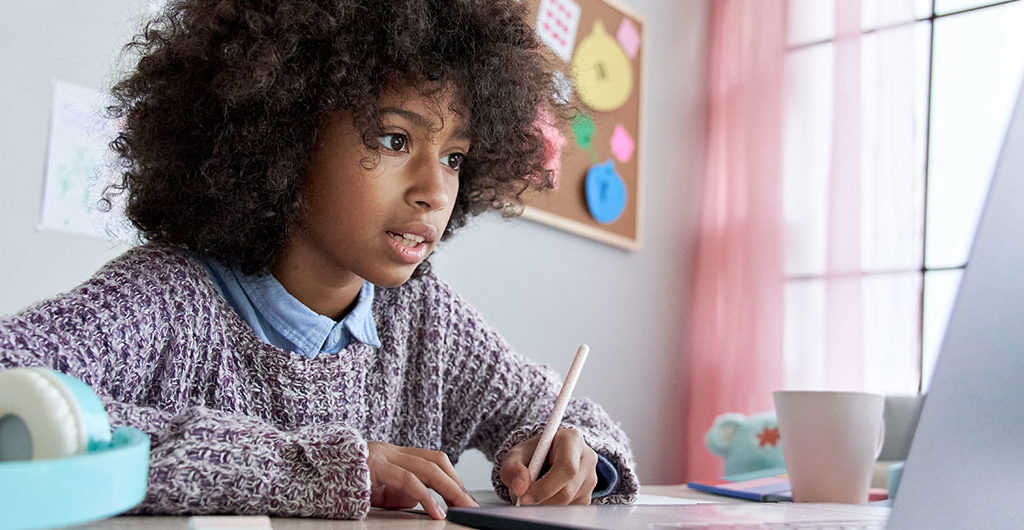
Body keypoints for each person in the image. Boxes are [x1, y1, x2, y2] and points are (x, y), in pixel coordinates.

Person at [0, 0, 638, 520]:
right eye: (396, 140)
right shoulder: (165, 300)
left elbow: (569, 413)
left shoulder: (422, 319)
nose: (435, 190)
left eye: (453, 157)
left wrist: (571, 455)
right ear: (281, 133)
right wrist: (304, 466)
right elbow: (11, 394)